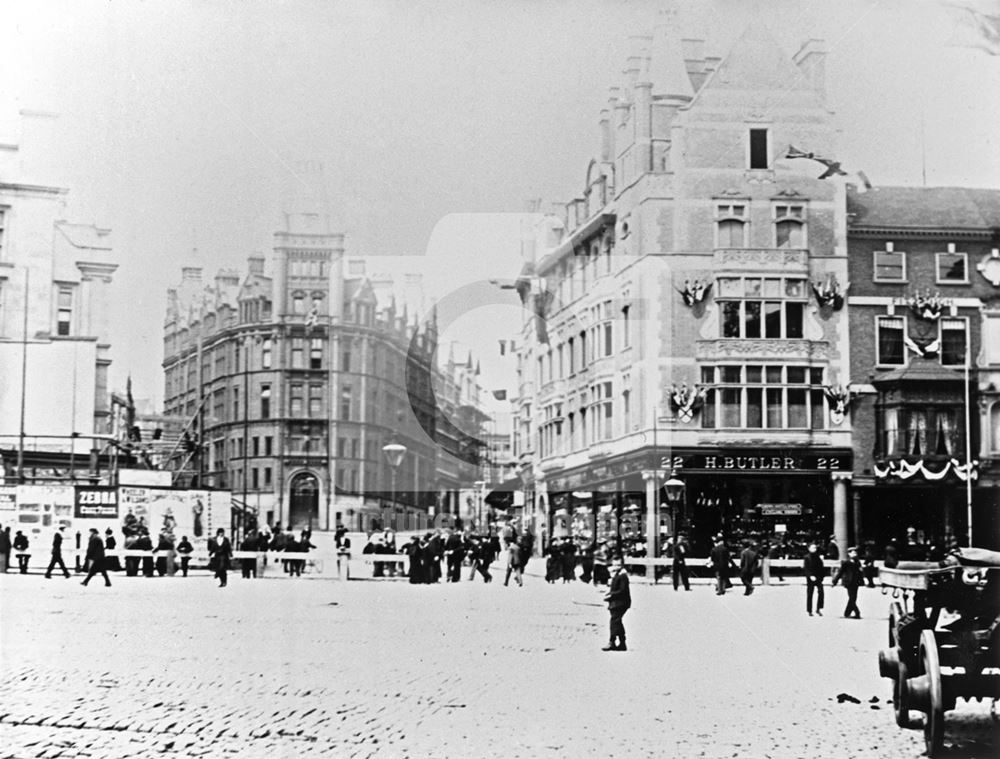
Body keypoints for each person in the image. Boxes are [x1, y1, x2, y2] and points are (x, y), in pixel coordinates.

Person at [602, 557, 631, 651]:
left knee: (614, 621)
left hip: (621, 603)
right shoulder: (616, 574)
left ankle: (612, 641)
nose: (616, 566)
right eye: (614, 564)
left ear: (622, 565)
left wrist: (611, 595)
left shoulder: (623, 576)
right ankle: (622, 643)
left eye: (618, 565)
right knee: (617, 622)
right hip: (616, 602)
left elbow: (622, 590)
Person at [832, 546, 862, 619]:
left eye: (855, 552)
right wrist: (835, 581)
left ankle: (847, 613)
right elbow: (840, 572)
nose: (855, 554)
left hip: (856, 582)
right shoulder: (846, 562)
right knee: (852, 598)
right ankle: (857, 612)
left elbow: (860, 572)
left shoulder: (858, 562)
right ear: (849, 554)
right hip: (849, 582)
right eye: (853, 552)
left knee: (853, 598)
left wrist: (862, 580)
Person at [803, 543, 825, 616]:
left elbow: (821, 567)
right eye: (813, 548)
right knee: (810, 594)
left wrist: (822, 577)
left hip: (818, 577)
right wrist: (810, 575)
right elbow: (806, 568)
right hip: (810, 578)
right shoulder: (807, 557)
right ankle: (809, 610)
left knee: (821, 592)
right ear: (809, 549)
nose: (814, 549)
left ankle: (819, 608)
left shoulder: (818, 557)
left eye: (815, 548)